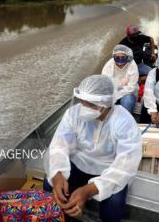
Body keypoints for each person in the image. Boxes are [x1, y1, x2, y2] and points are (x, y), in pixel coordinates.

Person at [44, 75, 142, 221]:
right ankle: (66, 215)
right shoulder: (73, 114)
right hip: (79, 163)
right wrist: (58, 176)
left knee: (114, 207)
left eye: (90, 104)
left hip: (108, 169)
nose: (84, 107)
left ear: (107, 103)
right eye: (82, 102)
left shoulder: (124, 122)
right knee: (50, 184)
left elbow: (125, 167)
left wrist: (88, 191)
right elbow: (59, 145)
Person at [102, 44, 138, 113]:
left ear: (128, 57)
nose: (120, 60)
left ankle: (125, 118)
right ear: (114, 57)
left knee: (128, 101)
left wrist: (116, 95)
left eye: (123, 57)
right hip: (112, 91)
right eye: (117, 57)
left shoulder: (132, 65)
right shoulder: (108, 65)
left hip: (128, 92)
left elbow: (130, 88)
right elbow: (105, 83)